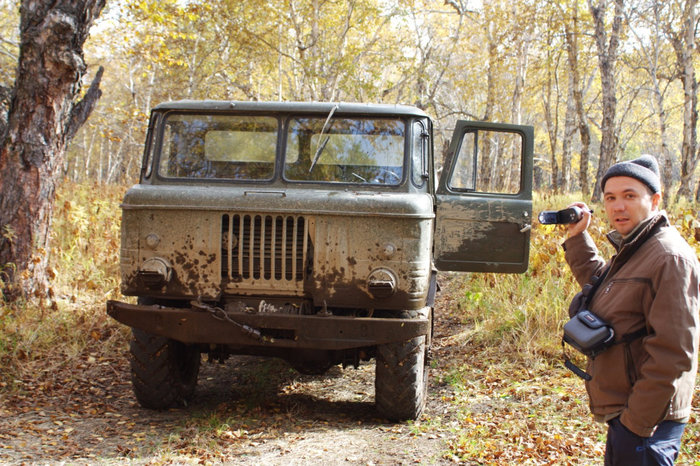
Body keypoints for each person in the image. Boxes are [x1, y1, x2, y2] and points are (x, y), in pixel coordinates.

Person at [562, 155, 700, 465]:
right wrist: (577, 237)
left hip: (649, 423)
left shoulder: (668, 257)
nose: (617, 207)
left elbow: (674, 352)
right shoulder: (637, 247)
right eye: (610, 198)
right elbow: (603, 288)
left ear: (654, 200)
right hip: (631, 413)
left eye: (629, 196)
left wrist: (635, 424)